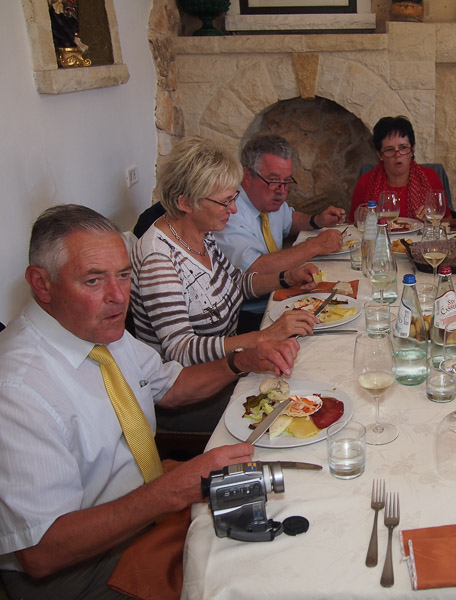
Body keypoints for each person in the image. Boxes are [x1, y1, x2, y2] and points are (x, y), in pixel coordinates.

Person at [0, 204, 300, 599]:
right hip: (79, 570)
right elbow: (41, 552)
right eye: (93, 280)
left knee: (284, 519)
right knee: (250, 579)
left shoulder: (98, 329)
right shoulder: (18, 389)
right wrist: (170, 492)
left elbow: (171, 386)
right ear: (41, 283)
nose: (117, 297)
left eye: (124, 276)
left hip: (143, 507)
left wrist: (241, 362)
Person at [131, 136, 318, 367]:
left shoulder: (203, 233)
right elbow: (180, 349)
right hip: (197, 380)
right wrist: (263, 337)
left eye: (234, 198)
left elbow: (235, 282)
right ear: (186, 203)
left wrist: (286, 278)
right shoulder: (158, 258)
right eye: (224, 202)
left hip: (230, 362)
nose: (234, 209)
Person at [215, 133, 347, 332]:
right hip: (251, 314)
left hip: (282, 294)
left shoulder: (268, 200)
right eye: (273, 180)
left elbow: (290, 219)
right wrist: (315, 245)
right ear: (246, 175)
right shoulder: (229, 212)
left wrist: (317, 220)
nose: (282, 191)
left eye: (287, 182)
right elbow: (254, 269)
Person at [347, 116, 451, 222]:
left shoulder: (430, 177)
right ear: (379, 155)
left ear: (412, 150)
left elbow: (448, 220)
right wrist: (358, 218)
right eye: (389, 150)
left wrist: (433, 219)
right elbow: (350, 223)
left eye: (403, 148)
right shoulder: (365, 182)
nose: (397, 155)